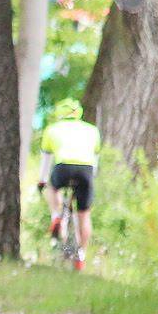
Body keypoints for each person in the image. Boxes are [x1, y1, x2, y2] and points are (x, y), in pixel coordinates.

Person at [37, 98, 100, 269]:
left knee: (52, 187)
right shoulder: (92, 130)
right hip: (86, 170)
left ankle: (56, 216)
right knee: (84, 214)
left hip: (63, 167)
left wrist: (41, 182)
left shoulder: (52, 129)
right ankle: (81, 254)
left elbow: (46, 160)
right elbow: (95, 160)